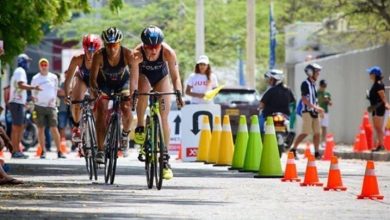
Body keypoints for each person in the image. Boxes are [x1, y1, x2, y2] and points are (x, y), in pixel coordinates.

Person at [132, 25, 184, 180]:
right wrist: (134, 93)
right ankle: (141, 125)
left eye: (156, 47)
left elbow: (175, 77)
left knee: (164, 117)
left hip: (161, 77)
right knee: (143, 90)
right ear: (143, 45)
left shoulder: (168, 52)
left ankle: (165, 157)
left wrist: (179, 93)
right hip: (144, 76)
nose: (153, 51)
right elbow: (134, 78)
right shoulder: (136, 54)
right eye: (149, 47)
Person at [90, 27, 136, 163]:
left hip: (123, 82)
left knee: (127, 107)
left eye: (115, 45)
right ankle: (100, 150)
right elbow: (92, 79)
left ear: (119, 43)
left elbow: (134, 77)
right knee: (101, 110)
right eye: (109, 45)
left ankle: (125, 135)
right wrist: (96, 91)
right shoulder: (98, 55)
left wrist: (134, 93)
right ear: (104, 45)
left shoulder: (127, 54)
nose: (112, 48)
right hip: (104, 83)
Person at [64, 34, 102, 143]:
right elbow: (68, 79)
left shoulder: (102, 58)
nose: (90, 55)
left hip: (95, 80)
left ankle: (96, 127)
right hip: (82, 79)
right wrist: (67, 95)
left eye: (93, 52)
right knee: (76, 102)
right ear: (84, 49)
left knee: (99, 104)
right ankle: (76, 127)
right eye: (88, 51)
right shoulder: (78, 58)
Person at [31, 58, 66, 159]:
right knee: (40, 129)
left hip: (51, 106)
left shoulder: (53, 77)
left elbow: (55, 90)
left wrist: (54, 100)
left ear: (48, 65)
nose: (44, 66)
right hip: (39, 106)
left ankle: (59, 151)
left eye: (45, 64)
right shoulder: (35, 78)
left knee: (54, 128)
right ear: (39, 66)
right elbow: (33, 92)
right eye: (42, 64)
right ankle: (42, 151)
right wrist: (36, 100)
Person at [9, 54, 41, 159]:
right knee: (17, 128)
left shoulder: (18, 71)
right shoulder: (20, 71)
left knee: (18, 127)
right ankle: (15, 151)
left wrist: (26, 100)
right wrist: (33, 87)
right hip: (16, 102)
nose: (28, 63)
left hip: (18, 102)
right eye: (27, 61)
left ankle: (16, 150)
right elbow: (21, 85)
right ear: (22, 61)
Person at [290, 63, 324, 159]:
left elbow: (314, 100)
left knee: (317, 133)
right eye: (317, 71)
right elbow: (304, 99)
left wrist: (319, 110)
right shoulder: (305, 84)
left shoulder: (313, 85)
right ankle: (293, 149)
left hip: (314, 112)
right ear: (310, 72)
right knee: (305, 132)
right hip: (307, 112)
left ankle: (316, 152)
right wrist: (315, 107)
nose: (318, 73)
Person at [367, 66, 390, 152]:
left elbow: (383, 96)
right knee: (377, 128)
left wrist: (386, 103)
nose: (369, 75)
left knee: (379, 128)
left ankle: (381, 146)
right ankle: (380, 145)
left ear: (375, 74)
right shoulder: (376, 83)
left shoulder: (378, 84)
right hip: (375, 108)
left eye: (370, 73)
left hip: (378, 108)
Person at [317, 79, 332, 147]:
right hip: (318, 112)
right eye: (323, 86)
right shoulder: (316, 93)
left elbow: (331, 104)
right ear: (320, 85)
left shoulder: (327, 94)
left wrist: (327, 101)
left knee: (324, 127)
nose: (324, 87)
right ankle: (318, 141)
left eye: (325, 86)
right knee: (317, 127)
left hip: (325, 112)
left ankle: (323, 141)